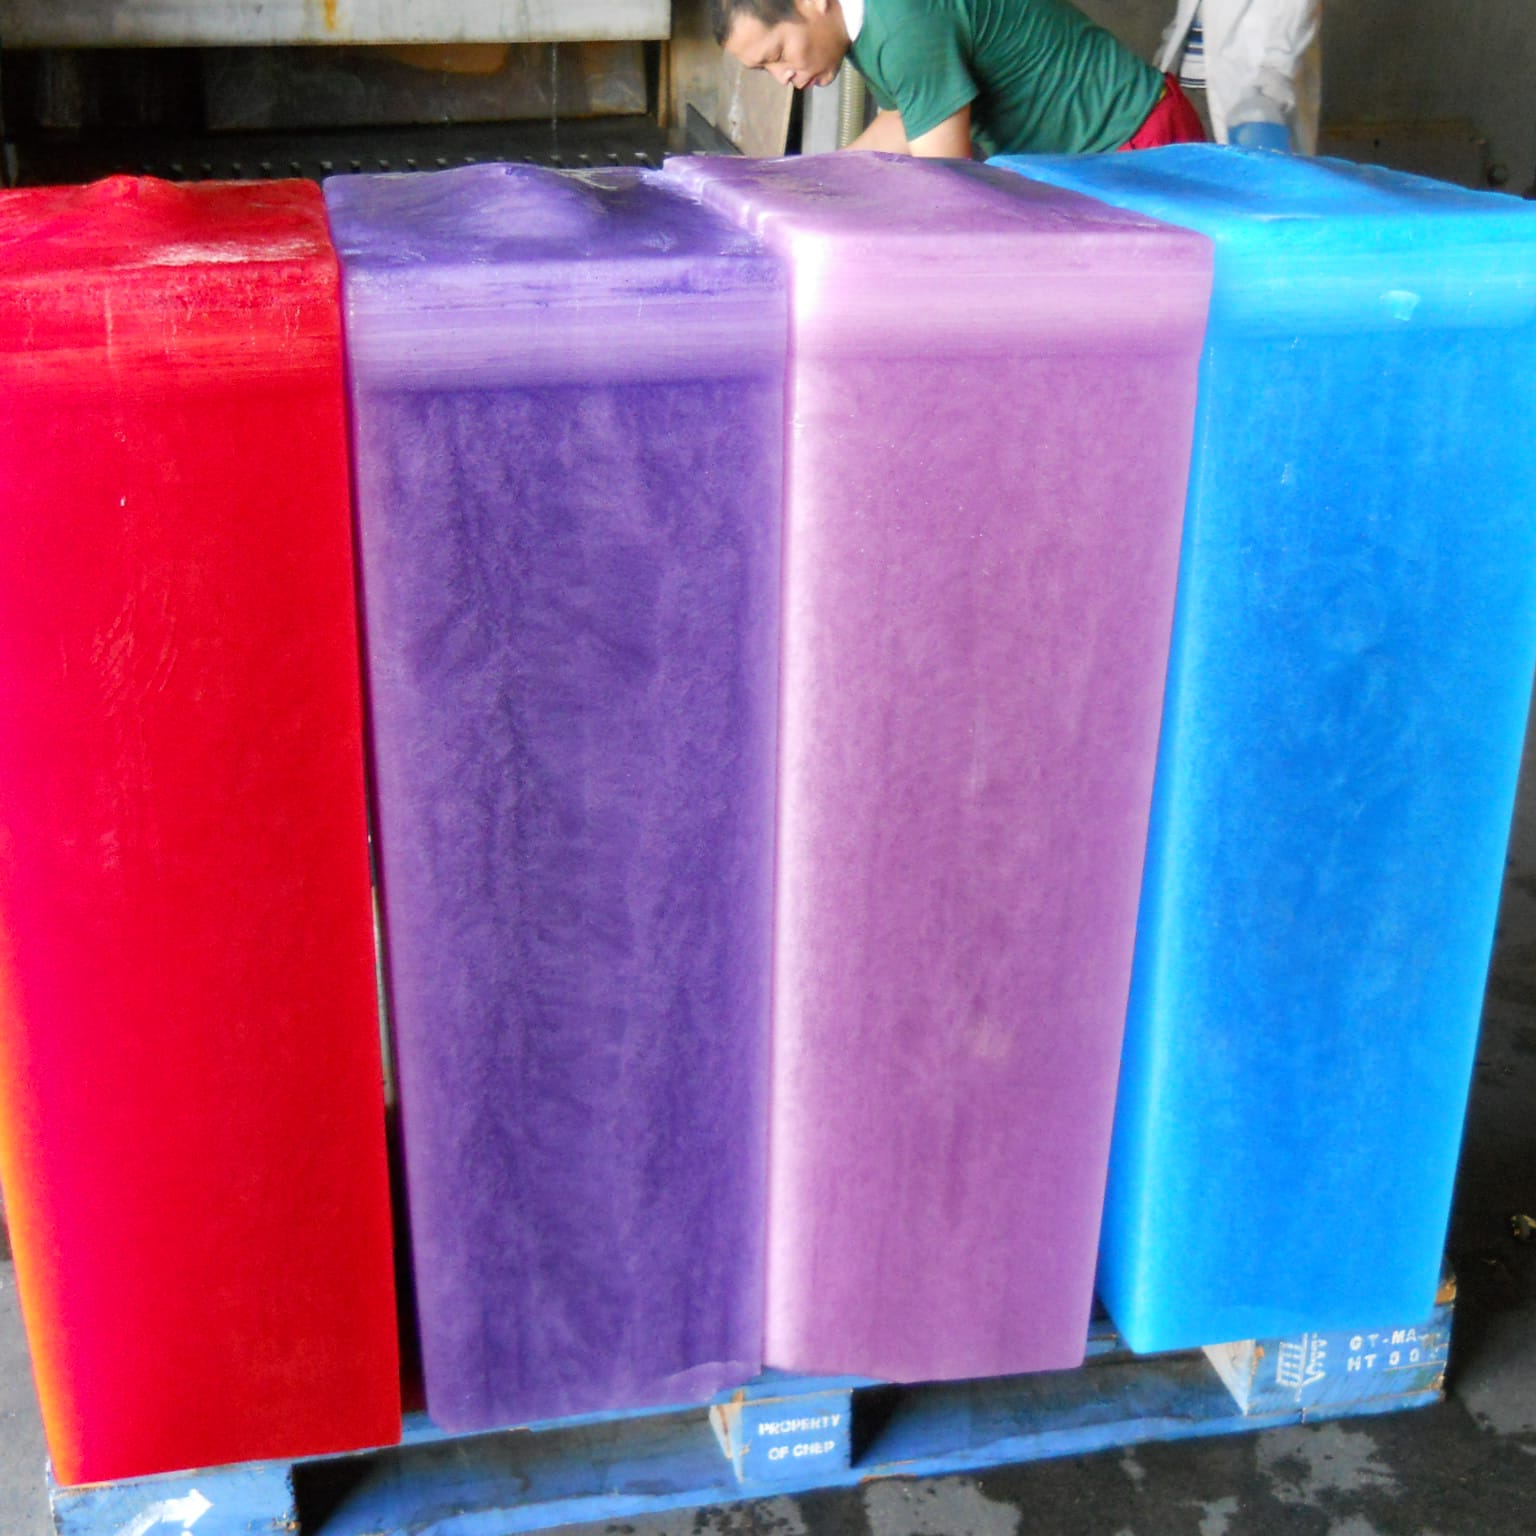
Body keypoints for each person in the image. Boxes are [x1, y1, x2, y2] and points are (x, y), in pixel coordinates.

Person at [712, 0, 1207, 158]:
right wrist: (812, 183)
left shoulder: (904, 27)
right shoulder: (863, 28)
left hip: (1131, 139)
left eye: (778, 55)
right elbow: (907, 119)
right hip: (1085, 156)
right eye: (764, 69)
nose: (784, 77)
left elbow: (943, 188)